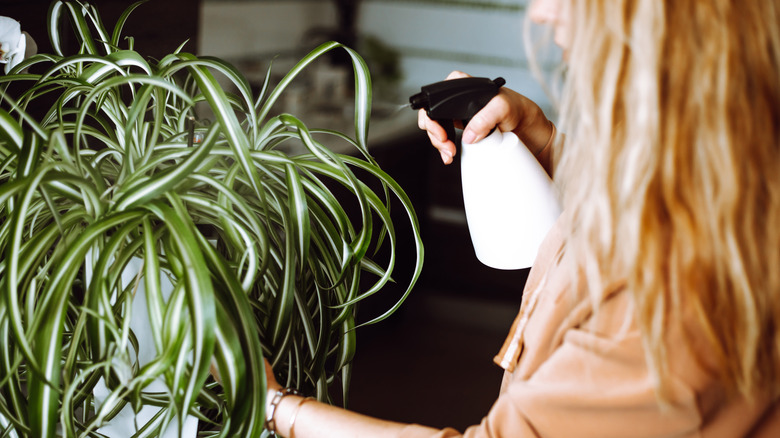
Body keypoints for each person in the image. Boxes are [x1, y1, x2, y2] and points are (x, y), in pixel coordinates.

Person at [263, 0, 780, 436]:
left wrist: (273, 405)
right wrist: (541, 136)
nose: (541, 11)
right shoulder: (726, 169)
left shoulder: (676, 294)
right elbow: (636, 208)